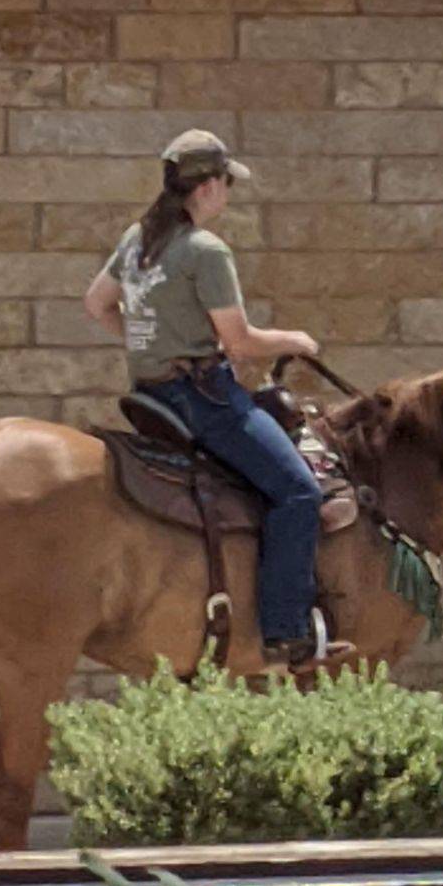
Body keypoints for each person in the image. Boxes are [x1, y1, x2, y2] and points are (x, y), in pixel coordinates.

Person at [84, 129, 347, 673]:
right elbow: (240, 341)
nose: (228, 194)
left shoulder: (140, 238)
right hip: (203, 400)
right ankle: (285, 635)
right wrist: (296, 340)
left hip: (152, 395)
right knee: (298, 493)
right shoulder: (205, 250)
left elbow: (97, 304)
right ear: (206, 187)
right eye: (226, 183)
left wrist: (146, 341)